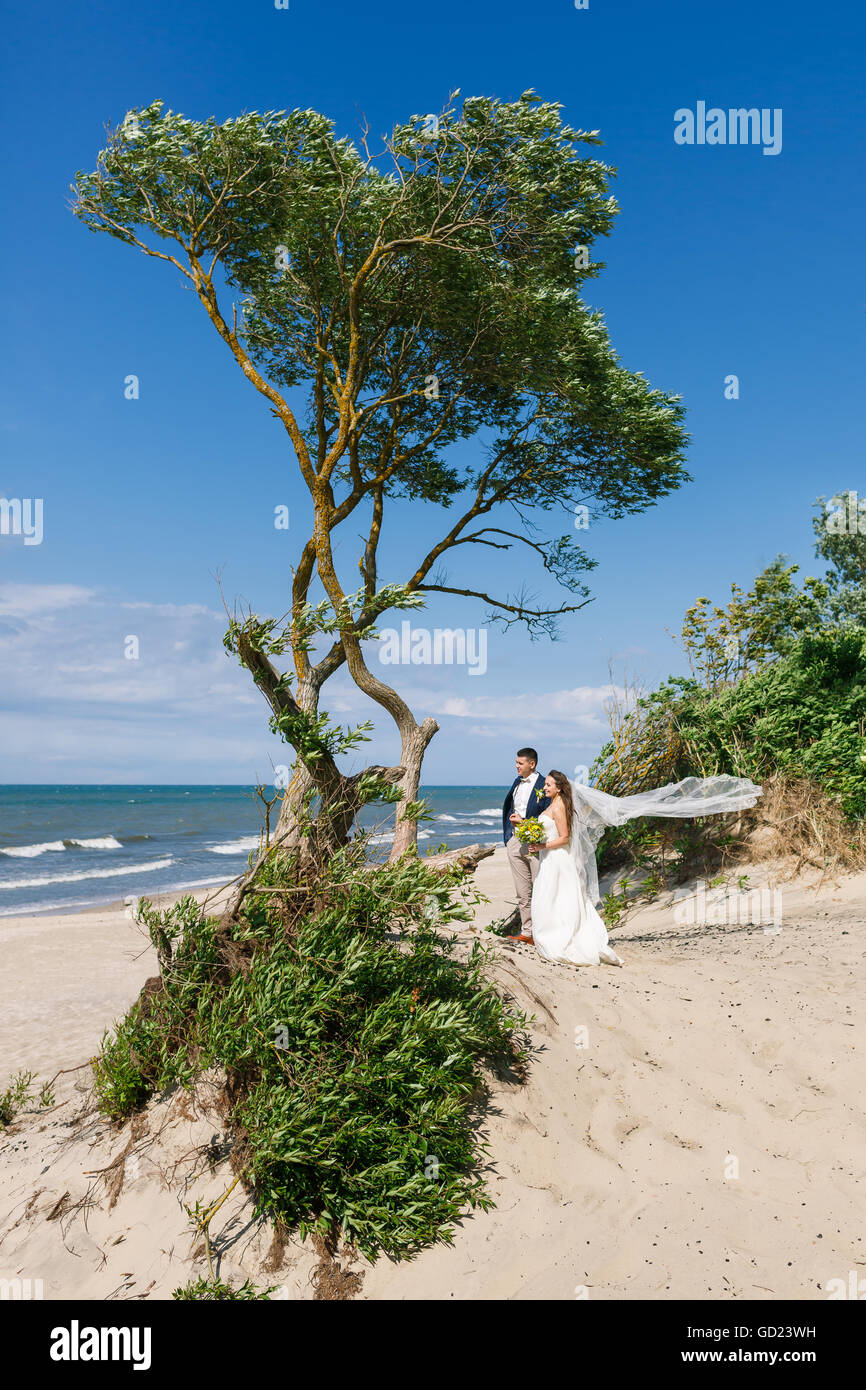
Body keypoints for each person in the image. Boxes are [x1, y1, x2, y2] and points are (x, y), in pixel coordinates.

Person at [526, 768, 763, 967]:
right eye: (545, 784)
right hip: (552, 858)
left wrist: (541, 844)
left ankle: (562, 939)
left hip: (558, 858)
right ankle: (553, 935)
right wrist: (526, 828)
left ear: (559, 787)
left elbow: (565, 837)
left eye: (548, 784)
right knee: (552, 897)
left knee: (559, 897)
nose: (545, 787)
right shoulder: (553, 804)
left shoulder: (559, 807)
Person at [502, 747, 550, 942]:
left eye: (520, 763)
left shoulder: (544, 785)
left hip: (536, 844)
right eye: (516, 762)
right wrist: (509, 837)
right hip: (515, 842)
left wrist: (526, 824)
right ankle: (528, 933)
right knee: (522, 893)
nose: (516, 766)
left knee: (541, 889)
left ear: (532, 764)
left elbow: (548, 816)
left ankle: (544, 933)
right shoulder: (516, 782)